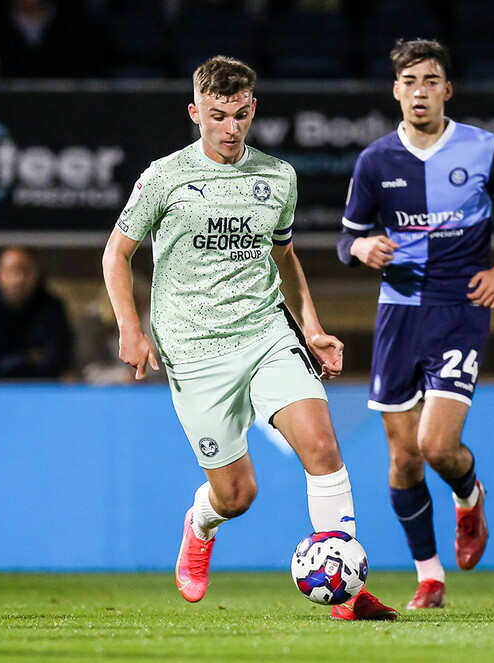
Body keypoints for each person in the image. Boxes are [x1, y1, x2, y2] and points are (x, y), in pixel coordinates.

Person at [102, 55, 397, 620]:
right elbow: (117, 253)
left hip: (265, 334)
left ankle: (348, 594)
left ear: (253, 109)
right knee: (237, 496)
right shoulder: (164, 177)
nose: (230, 128)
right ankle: (200, 521)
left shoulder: (277, 176)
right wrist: (131, 329)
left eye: (240, 114)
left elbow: (284, 258)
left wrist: (310, 328)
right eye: (217, 116)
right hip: (193, 351)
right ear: (195, 113)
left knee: (322, 447)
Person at [337, 39, 494, 610]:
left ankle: (469, 494)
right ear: (396, 91)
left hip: (460, 310)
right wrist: (361, 249)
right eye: (409, 81)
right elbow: (344, 239)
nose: (419, 91)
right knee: (403, 458)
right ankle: (430, 577)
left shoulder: (483, 149)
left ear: (446, 89)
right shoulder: (376, 162)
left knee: (435, 445)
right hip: (398, 315)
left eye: (430, 80)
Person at [0, 246, 73, 380]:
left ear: (36, 274)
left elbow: (57, 362)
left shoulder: (52, 308)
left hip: (40, 392)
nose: (19, 280)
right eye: (12, 271)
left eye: (25, 271)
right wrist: (24, 359)